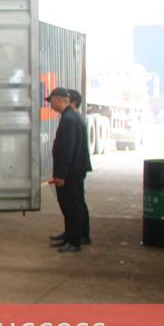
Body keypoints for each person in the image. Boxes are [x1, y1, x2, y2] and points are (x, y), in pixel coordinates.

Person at [47, 87, 92, 252]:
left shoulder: (69, 119)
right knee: (75, 204)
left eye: (51, 101)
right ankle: (75, 235)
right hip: (74, 170)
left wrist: (61, 175)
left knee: (71, 206)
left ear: (58, 100)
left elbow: (67, 149)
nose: (50, 105)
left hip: (71, 172)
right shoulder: (70, 117)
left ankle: (74, 241)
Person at [67, 89, 91, 244]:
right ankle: (78, 234)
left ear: (73, 103)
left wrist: (63, 171)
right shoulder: (75, 118)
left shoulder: (72, 119)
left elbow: (69, 148)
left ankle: (77, 237)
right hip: (77, 167)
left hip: (75, 169)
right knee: (78, 202)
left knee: (75, 203)